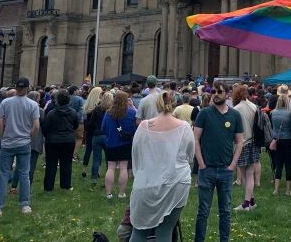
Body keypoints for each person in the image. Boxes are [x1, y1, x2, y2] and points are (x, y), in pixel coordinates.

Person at [128, 90, 194, 242]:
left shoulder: (144, 126)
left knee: (139, 232)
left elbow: (136, 154)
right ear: (174, 105)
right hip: (176, 182)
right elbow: (190, 157)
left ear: (157, 104)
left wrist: (141, 174)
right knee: (165, 232)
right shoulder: (184, 127)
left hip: (147, 183)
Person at [193, 80, 244, 242]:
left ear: (227, 94)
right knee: (203, 211)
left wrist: (233, 165)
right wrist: (201, 163)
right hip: (206, 169)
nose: (215, 95)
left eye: (219, 92)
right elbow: (195, 139)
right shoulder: (204, 113)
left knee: (225, 211)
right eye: (213, 92)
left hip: (225, 170)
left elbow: (240, 141)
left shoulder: (235, 115)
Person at [0, 77, 41, 217]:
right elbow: (36, 126)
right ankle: (25, 205)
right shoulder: (33, 104)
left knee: (3, 175)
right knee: (24, 174)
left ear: (16, 87)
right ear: (27, 88)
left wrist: (2, 138)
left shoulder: (5, 102)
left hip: (7, 142)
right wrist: (30, 138)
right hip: (24, 142)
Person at [41, 89, 79, 191]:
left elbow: (45, 127)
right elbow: (75, 125)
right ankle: (65, 184)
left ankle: (49, 186)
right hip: (68, 140)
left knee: (51, 164)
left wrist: (49, 136)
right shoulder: (73, 112)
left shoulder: (51, 113)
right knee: (66, 163)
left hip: (53, 140)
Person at [101, 90, 136, 199]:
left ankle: (108, 193)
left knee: (110, 168)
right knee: (123, 168)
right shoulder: (132, 112)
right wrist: (133, 107)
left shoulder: (108, 113)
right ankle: (121, 193)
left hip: (111, 143)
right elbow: (136, 126)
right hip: (125, 143)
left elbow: (103, 128)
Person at [232, 85, 260, 211]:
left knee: (246, 175)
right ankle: (251, 201)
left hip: (242, 143)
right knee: (249, 174)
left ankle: (247, 204)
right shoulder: (254, 107)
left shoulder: (236, 109)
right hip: (254, 142)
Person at [10, 90, 44, 192]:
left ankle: (13, 186)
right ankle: (26, 188)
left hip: (21, 137)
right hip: (33, 139)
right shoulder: (39, 110)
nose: (40, 100)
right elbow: (41, 124)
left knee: (20, 164)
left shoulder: (20, 108)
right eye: (38, 98)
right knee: (31, 165)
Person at [87, 91, 112, 186]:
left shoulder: (97, 109)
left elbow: (91, 123)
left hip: (97, 135)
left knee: (96, 158)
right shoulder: (112, 110)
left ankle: (94, 179)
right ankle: (108, 179)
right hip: (108, 136)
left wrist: (92, 131)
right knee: (108, 160)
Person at [271, 93, 291, 196]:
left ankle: (276, 189)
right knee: (288, 164)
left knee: (279, 164)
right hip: (288, 139)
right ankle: (288, 190)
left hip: (277, 139)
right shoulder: (290, 113)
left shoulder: (273, 113)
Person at [82, 86, 103, 177]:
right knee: (98, 152)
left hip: (89, 130)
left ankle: (84, 169)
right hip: (97, 130)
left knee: (88, 150)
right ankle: (97, 170)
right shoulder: (99, 106)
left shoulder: (88, 104)